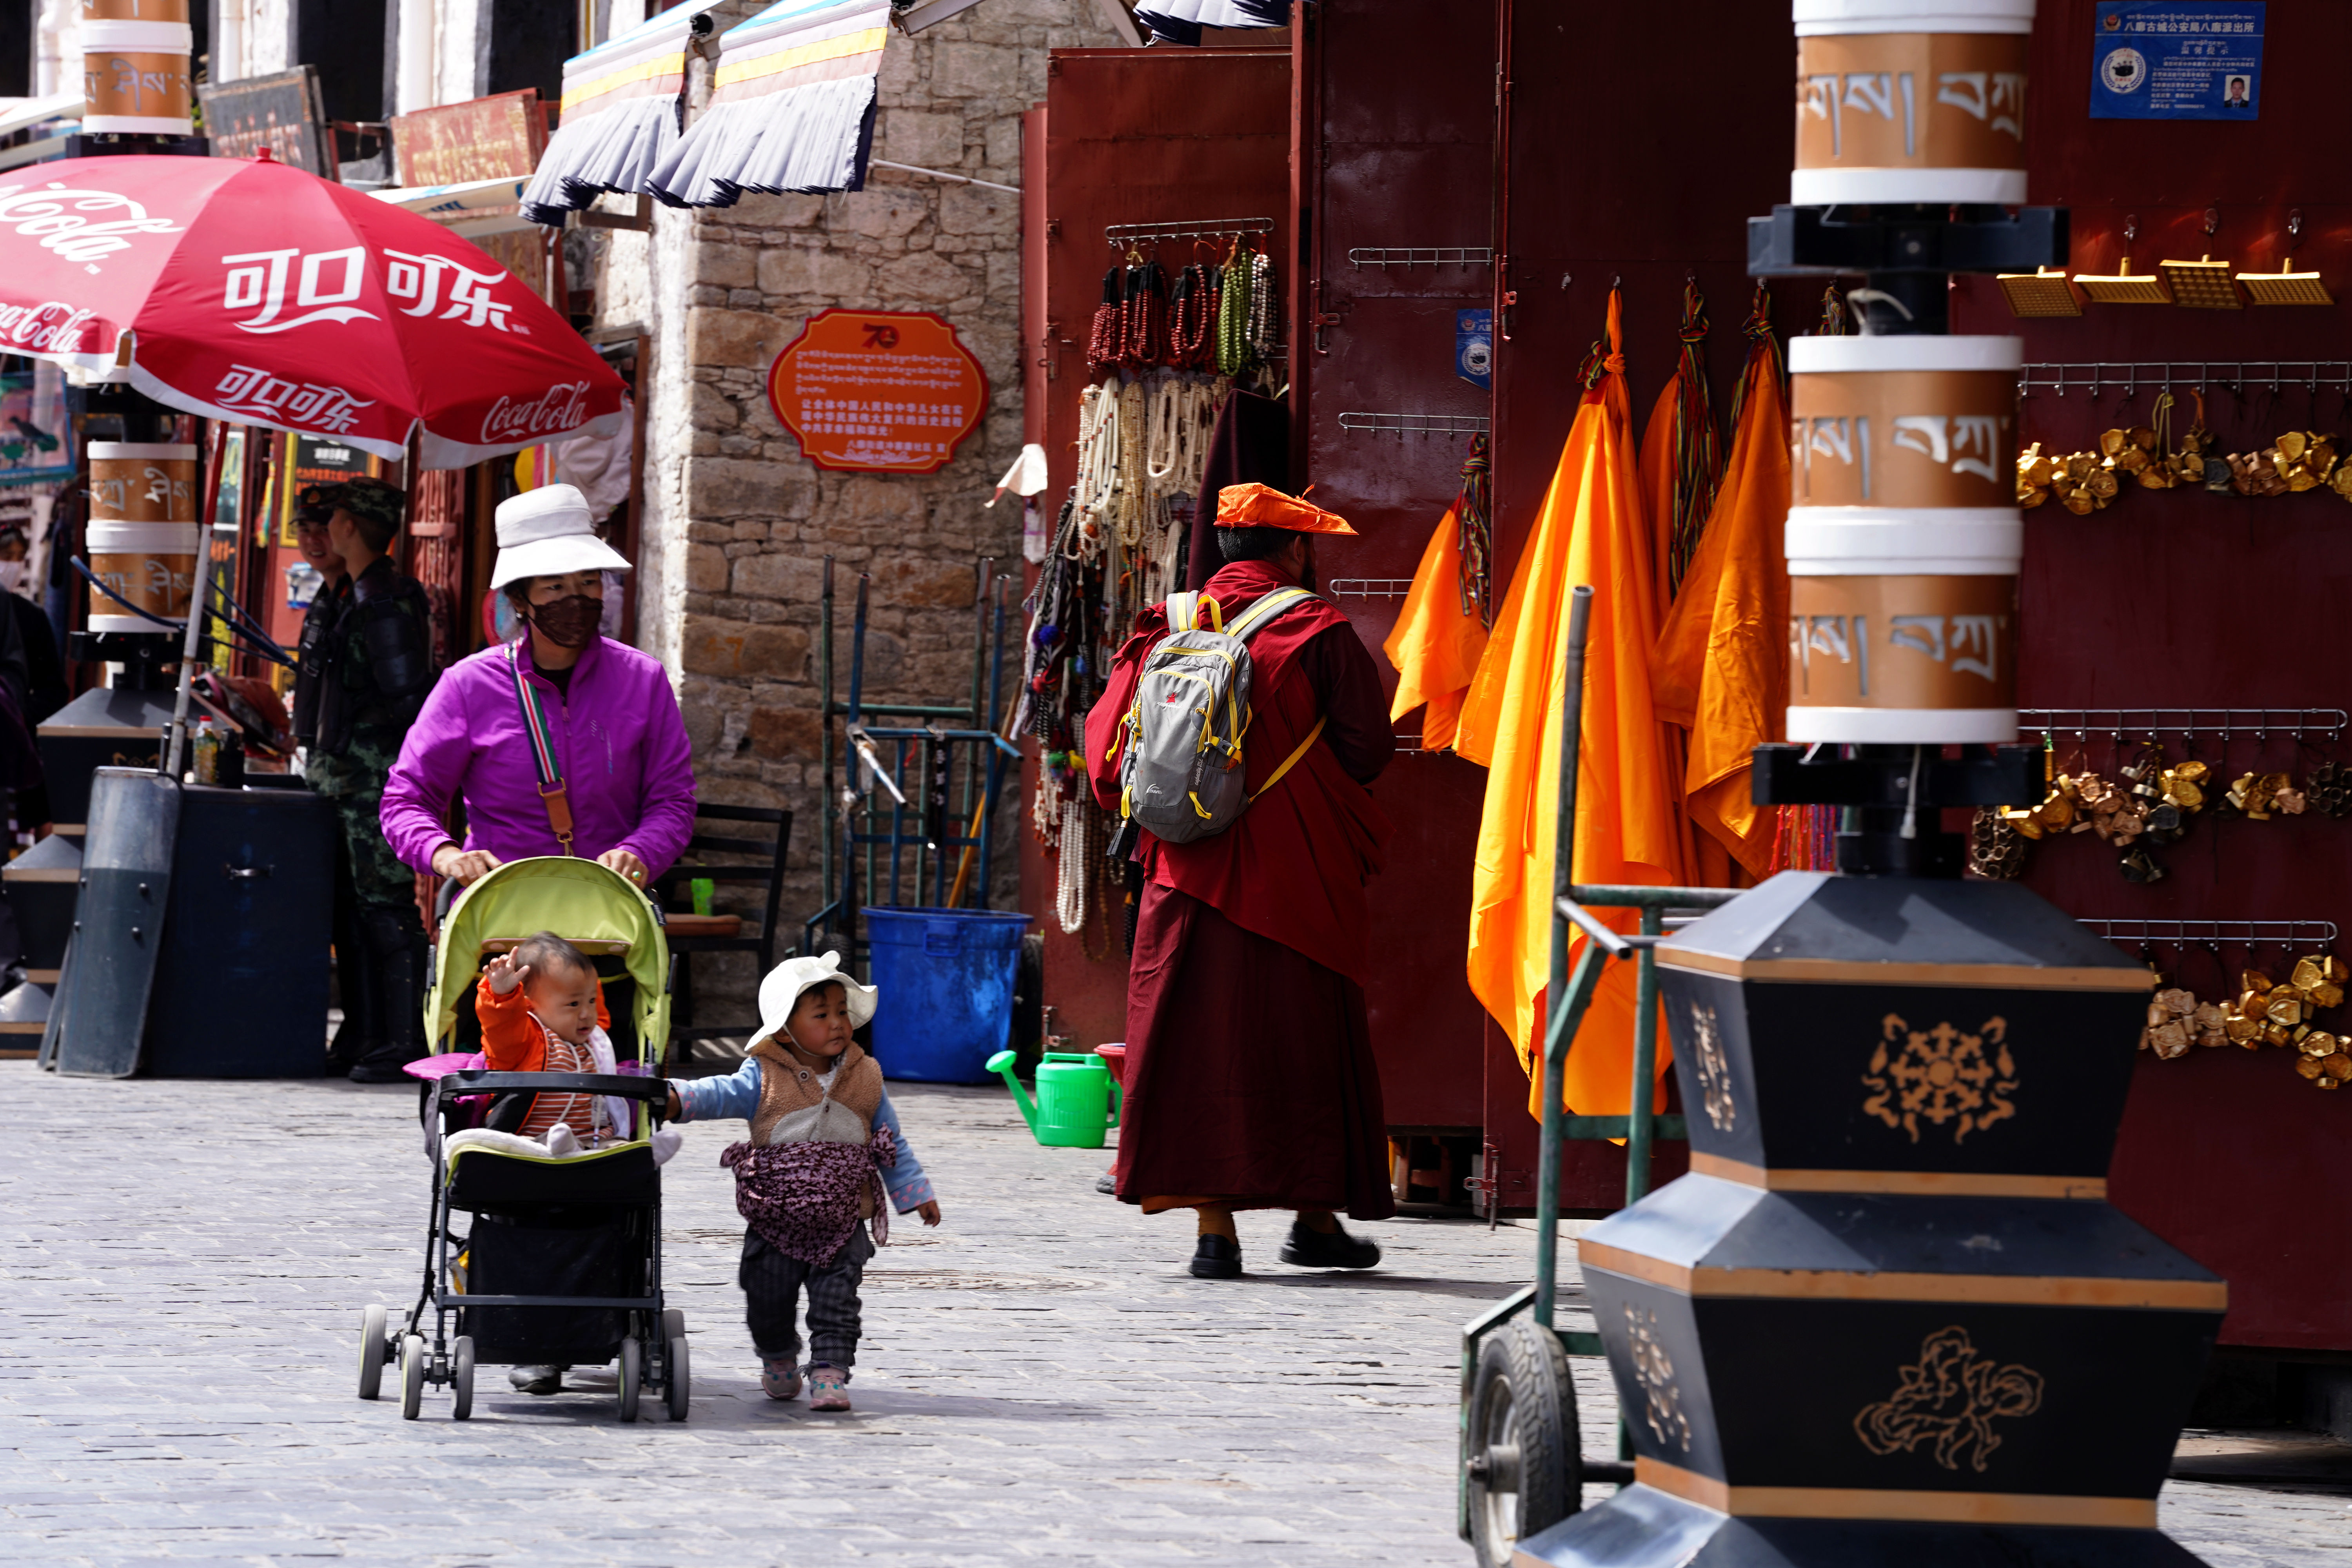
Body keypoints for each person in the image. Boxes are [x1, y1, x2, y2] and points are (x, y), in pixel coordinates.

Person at [1085, 483, 1397, 1279]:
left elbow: (1107, 761)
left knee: (1196, 1043)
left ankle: (1214, 1232)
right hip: (1296, 871)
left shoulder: (1169, 623)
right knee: (1302, 1039)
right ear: (1294, 552)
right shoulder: (1317, 628)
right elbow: (1366, 749)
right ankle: (1316, 1216)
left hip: (1185, 870)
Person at [381, 484, 694, 898]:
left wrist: (639, 852)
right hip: (501, 909)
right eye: (555, 587)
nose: (577, 599)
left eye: (588, 582)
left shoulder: (643, 679)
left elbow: (673, 801)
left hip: (608, 910)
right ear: (519, 599)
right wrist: (446, 855)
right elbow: (406, 799)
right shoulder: (468, 685)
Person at [666, 954, 940, 1413]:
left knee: (838, 1300)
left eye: (841, 1011)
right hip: (775, 1219)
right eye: (821, 1014)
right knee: (766, 1300)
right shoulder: (764, 1075)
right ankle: (778, 1355)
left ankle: (831, 1371)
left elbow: (891, 1141)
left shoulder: (867, 1078)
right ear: (784, 1029)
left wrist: (915, 1193)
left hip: (842, 1218)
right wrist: (677, 1098)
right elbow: (719, 1093)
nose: (837, 1023)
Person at [299, 478, 437, 1085]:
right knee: (351, 915)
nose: (323, 530)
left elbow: (409, 698)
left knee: (385, 910)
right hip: (341, 774)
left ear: (350, 527)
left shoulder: (384, 599)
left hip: (373, 779)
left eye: (334, 520)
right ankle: (363, 1030)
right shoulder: (351, 594)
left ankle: (404, 1038)